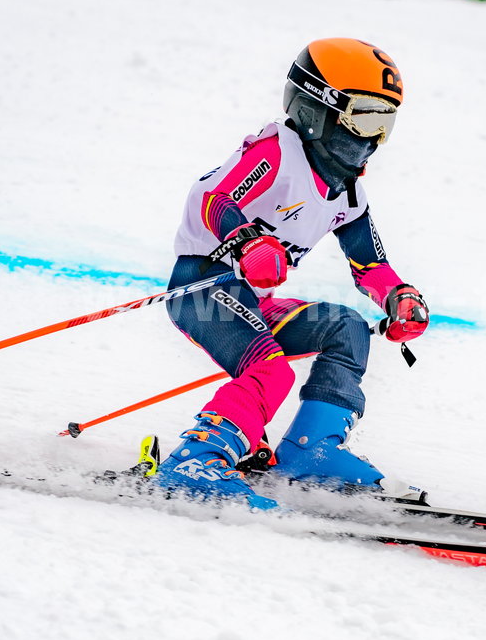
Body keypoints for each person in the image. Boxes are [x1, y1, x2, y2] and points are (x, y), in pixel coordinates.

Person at [153, 38, 429, 509]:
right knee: (270, 371)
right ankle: (195, 461)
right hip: (202, 287)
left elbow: (371, 263)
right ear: (317, 106)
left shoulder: (347, 192)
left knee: (347, 328)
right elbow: (213, 198)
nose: (372, 138)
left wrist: (398, 297)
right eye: (364, 116)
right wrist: (247, 243)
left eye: (386, 123)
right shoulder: (278, 152)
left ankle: (312, 451)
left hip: (250, 301)